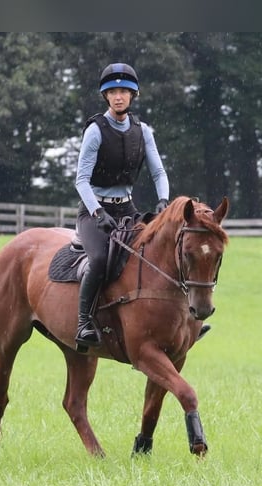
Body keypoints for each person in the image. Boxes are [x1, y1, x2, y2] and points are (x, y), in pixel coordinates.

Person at [73, 62, 169, 349]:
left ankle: (178, 320)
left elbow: (159, 173)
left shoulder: (143, 131)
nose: (118, 96)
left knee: (161, 251)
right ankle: (83, 323)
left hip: (127, 209)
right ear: (105, 96)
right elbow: (81, 180)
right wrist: (97, 212)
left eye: (124, 92)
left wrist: (163, 200)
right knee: (101, 260)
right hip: (94, 212)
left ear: (133, 95)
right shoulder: (95, 131)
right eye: (112, 91)